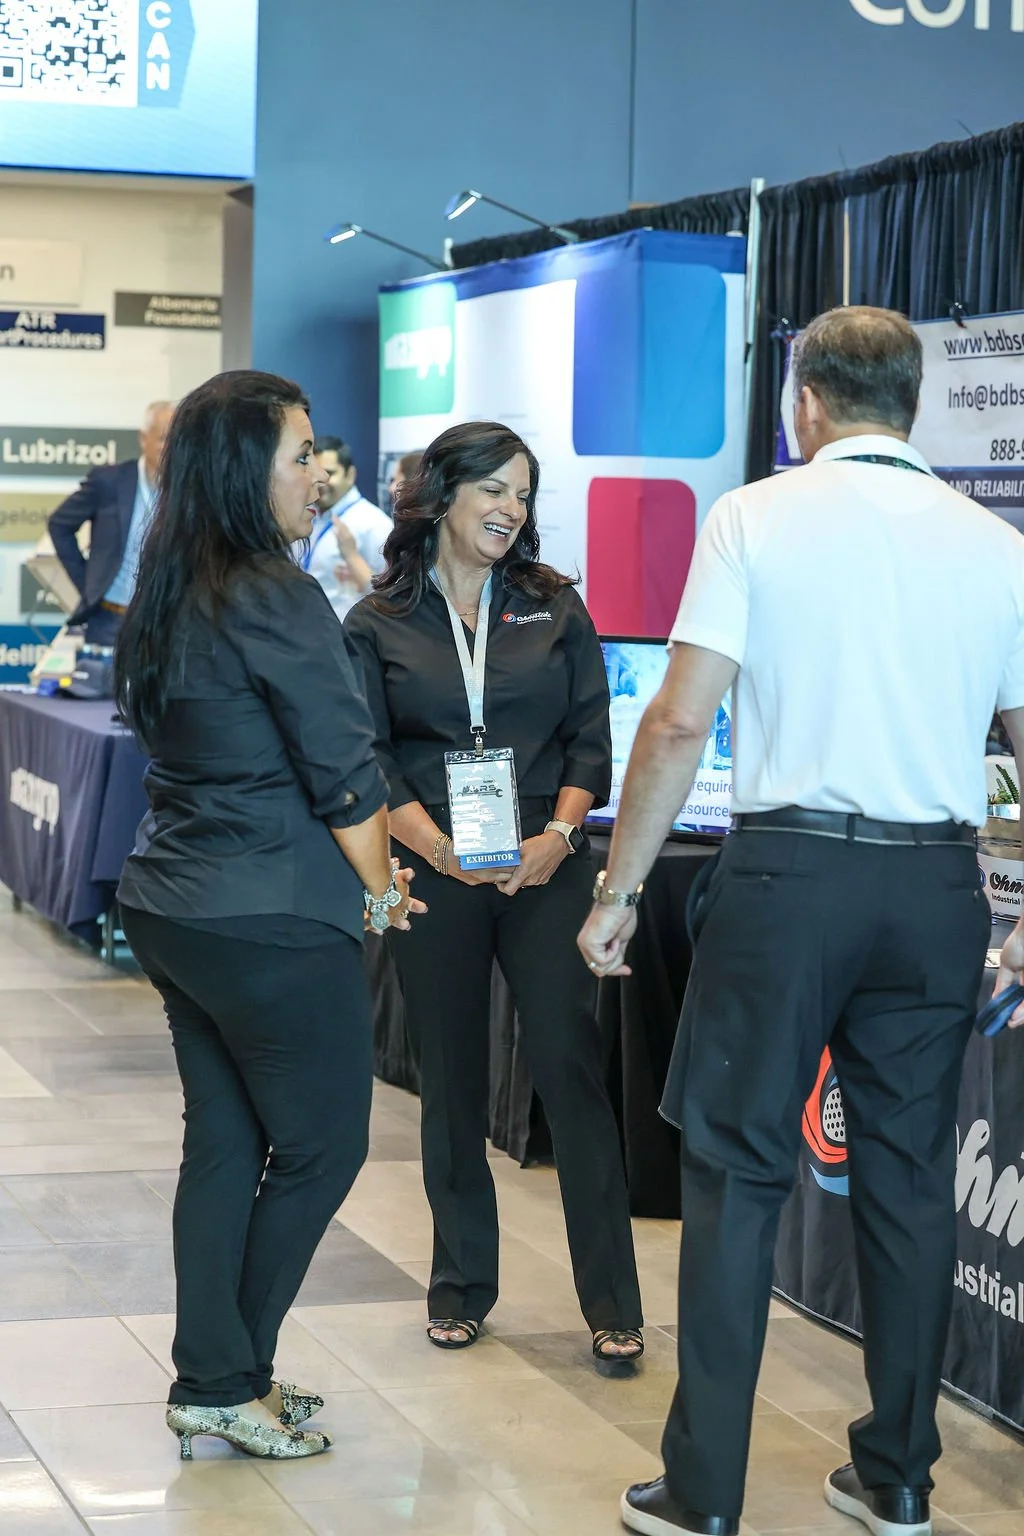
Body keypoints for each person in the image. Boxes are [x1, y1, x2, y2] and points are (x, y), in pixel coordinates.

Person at [578, 306, 1024, 1536]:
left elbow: (674, 724)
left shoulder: (753, 518)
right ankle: (896, 1479)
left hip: (786, 882)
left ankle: (705, 1495)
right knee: (908, 1180)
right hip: (936, 891)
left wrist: (620, 893)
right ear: (914, 404)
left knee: (735, 1175)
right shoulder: (996, 545)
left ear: (804, 403)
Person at [113, 370, 425, 1461]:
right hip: (269, 914)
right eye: (300, 454)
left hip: (177, 907)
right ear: (246, 469)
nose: (318, 474)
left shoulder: (169, 586)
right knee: (324, 1146)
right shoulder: (273, 591)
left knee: (226, 1143)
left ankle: (217, 1377)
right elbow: (343, 774)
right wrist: (382, 891)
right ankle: (227, 1376)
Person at [345, 420, 644, 1361]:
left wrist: (558, 838)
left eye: (525, 493)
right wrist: (429, 843)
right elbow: (367, 756)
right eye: (496, 489)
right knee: (452, 1085)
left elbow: (592, 739)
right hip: (436, 865)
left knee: (571, 1066)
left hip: (542, 862)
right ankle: (461, 1285)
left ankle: (614, 1303)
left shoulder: (554, 606)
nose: (512, 509)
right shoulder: (378, 620)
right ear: (444, 494)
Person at [48, 401, 175, 646]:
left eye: (176, 441)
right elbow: (59, 524)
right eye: (162, 439)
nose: (169, 448)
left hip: (163, 625)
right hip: (108, 620)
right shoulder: (109, 481)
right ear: (143, 438)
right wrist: (88, 583)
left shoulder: (187, 490)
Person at [302, 434, 393, 622]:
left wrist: (352, 558)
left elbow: (390, 596)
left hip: (350, 640)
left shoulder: (374, 524)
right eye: (315, 473)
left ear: (350, 475)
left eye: (330, 473)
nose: (321, 481)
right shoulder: (308, 517)